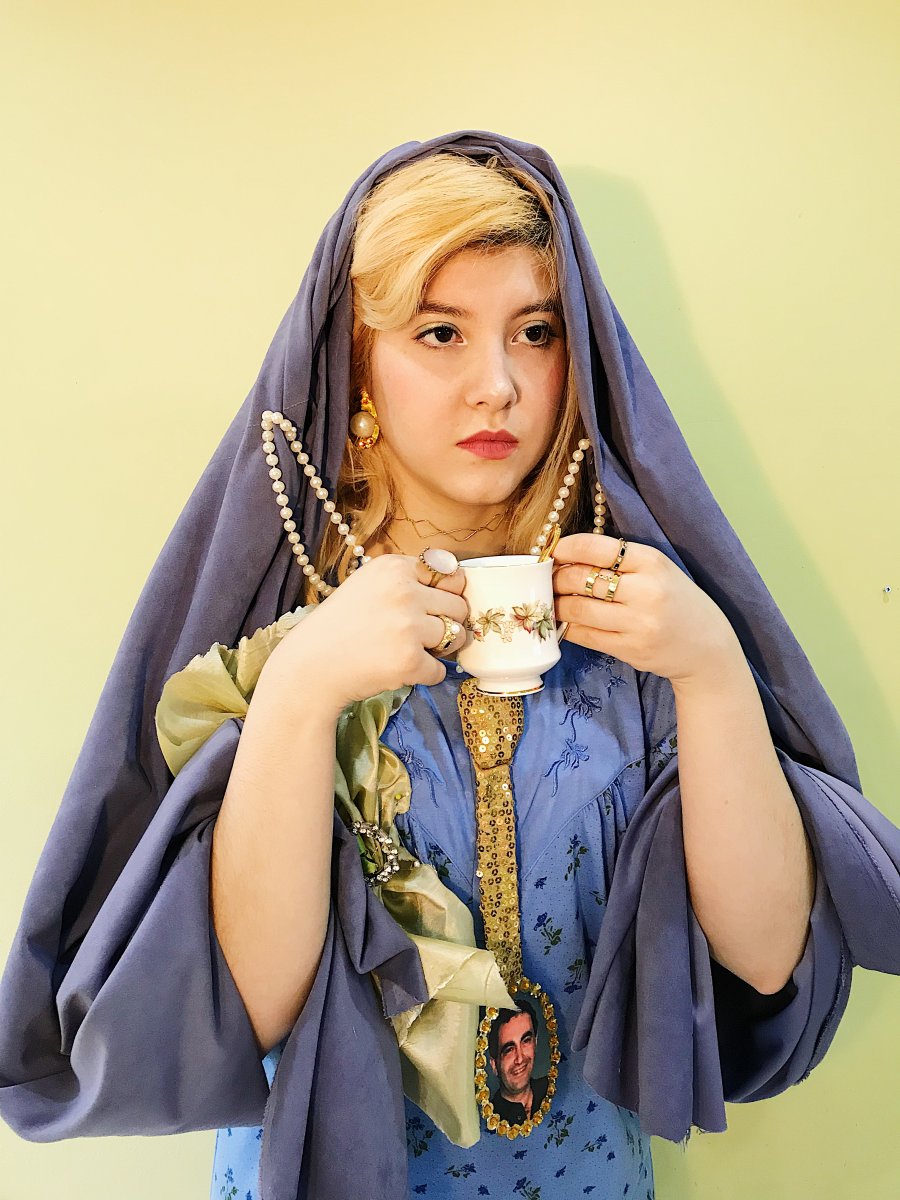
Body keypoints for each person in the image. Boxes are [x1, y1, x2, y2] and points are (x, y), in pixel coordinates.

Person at [1, 131, 899, 1200]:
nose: (498, 385)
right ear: (358, 361)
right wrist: (301, 693)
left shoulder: (640, 635)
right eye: (440, 332)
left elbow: (765, 955)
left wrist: (710, 668)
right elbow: (257, 1006)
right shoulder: (279, 641)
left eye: (536, 332)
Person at [487, 999, 549, 1125]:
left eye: (526, 1041)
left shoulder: (552, 1088)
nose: (520, 1059)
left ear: (535, 1042)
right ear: (494, 1065)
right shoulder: (490, 1119)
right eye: (509, 1050)